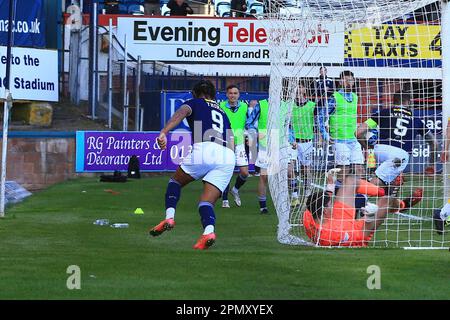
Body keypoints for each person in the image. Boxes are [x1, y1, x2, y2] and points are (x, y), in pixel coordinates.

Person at [149, 80, 235, 250]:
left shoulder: (194, 103)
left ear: (195, 94)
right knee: (206, 202)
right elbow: (231, 138)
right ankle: (209, 231)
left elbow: (181, 112)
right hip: (227, 155)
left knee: (175, 182)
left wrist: (164, 132)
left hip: (205, 148)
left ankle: (169, 217)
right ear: (213, 95)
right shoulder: (223, 112)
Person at [356, 92, 437, 200]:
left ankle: (389, 195)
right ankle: (359, 201)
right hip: (399, 155)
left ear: (393, 101)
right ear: (409, 102)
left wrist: (367, 147)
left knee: (388, 177)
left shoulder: (383, 113)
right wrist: (431, 164)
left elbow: (358, 132)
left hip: (378, 151)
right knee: (379, 180)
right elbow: (434, 143)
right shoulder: (417, 120)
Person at [303, 169, 406, 247]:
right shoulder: (331, 235)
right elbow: (361, 235)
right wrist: (370, 217)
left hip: (337, 217)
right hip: (357, 230)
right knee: (387, 201)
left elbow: (321, 202)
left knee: (350, 180)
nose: (333, 204)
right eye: (331, 204)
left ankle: (382, 191)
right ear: (325, 211)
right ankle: (402, 205)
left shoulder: (308, 216)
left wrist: (330, 185)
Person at [318, 70, 365, 183]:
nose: (349, 82)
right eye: (346, 80)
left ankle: (359, 198)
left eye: (351, 80)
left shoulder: (355, 97)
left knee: (360, 170)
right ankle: (339, 197)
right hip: (340, 141)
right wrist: (325, 135)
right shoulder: (334, 97)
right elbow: (320, 117)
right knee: (344, 171)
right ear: (340, 82)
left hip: (354, 140)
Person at [220, 85, 250, 208]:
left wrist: (249, 135)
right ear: (227, 94)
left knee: (245, 173)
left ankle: (235, 190)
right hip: (225, 142)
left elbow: (249, 123)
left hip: (240, 143)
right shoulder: (221, 106)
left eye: (235, 93)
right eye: (230, 93)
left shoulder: (244, 107)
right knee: (227, 171)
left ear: (239, 95)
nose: (233, 95)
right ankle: (225, 199)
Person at [291, 81, 317, 197]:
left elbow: (317, 122)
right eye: (296, 87)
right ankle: (294, 193)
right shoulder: (289, 105)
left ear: (305, 90)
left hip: (307, 141)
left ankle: (307, 188)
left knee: (305, 168)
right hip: (292, 141)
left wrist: (320, 136)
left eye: (300, 87)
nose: (298, 89)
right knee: (290, 167)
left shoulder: (312, 105)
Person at [247, 98, 270, 214]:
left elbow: (288, 125)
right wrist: (255, 134)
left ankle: (285, 202)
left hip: (282, 145)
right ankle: (263, 206)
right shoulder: (262, 104)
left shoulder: (286, 105)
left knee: (284, 175)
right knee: (264, 176)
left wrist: (291, 139)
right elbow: (249, 122)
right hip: (265, 145)